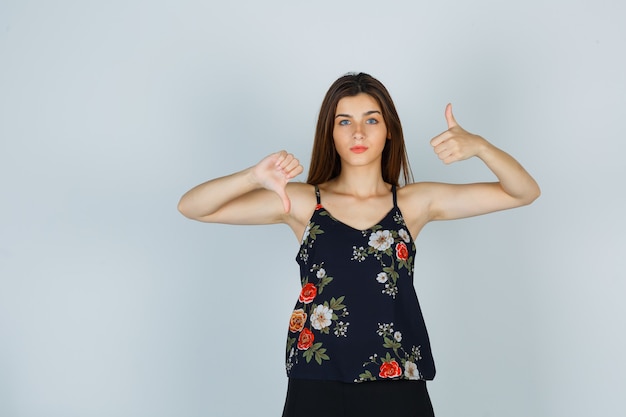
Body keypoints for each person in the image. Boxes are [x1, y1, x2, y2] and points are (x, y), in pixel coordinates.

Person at [178, 72, 540, 417]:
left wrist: (479, 146)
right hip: (316, 380)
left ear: (389, 132)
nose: (358, 132)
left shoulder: (413, 203)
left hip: (398, 381)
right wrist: (253, 176)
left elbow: (523, 192)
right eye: (344, 121)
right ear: (330, 133)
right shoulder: (303, 202)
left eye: (371, 119)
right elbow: (193, 207)